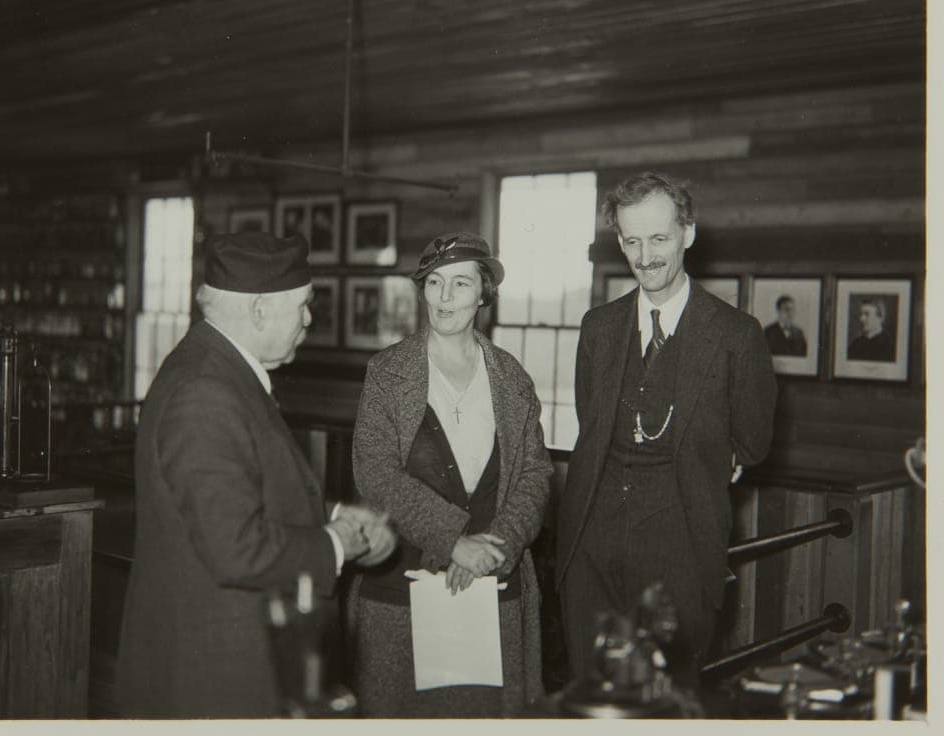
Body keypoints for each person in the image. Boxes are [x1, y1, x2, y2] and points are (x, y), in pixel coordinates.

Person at [115, 232, 396, 718]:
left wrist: (333, 514)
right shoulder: (205, 390)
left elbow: (247, 488)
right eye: (304, 305)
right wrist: (335, 544)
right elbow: (235, 547)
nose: (309, 319)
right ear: (261, 309)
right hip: (212, 675)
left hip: (222, 659)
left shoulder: (217, 371)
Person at [556, 171, 777, 685]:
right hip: (590, 549)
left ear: (688, 234)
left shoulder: (735, 335)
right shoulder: (599, 327)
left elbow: (753, 443)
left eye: (659, 238)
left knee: (665, 703)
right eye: (632, 241)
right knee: (592, 702)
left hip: (681, 553)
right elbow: (593, 427)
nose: (645, 255)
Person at [348, 232, 554, 716]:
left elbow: (534, 474)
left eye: (459, 284)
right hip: (403, 594)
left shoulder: (510, 377)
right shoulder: (387, 373)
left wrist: (494, 545)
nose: (444, 297)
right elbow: (374, 472)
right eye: (434, 282)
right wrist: (452, 539)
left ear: (483, 294)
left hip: (493, 591)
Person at [847, 297, 895, 361]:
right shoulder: (856, 344)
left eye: (867, 314)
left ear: (880, 317)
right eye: (861, 314)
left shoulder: (890, 345)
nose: (862, 319)